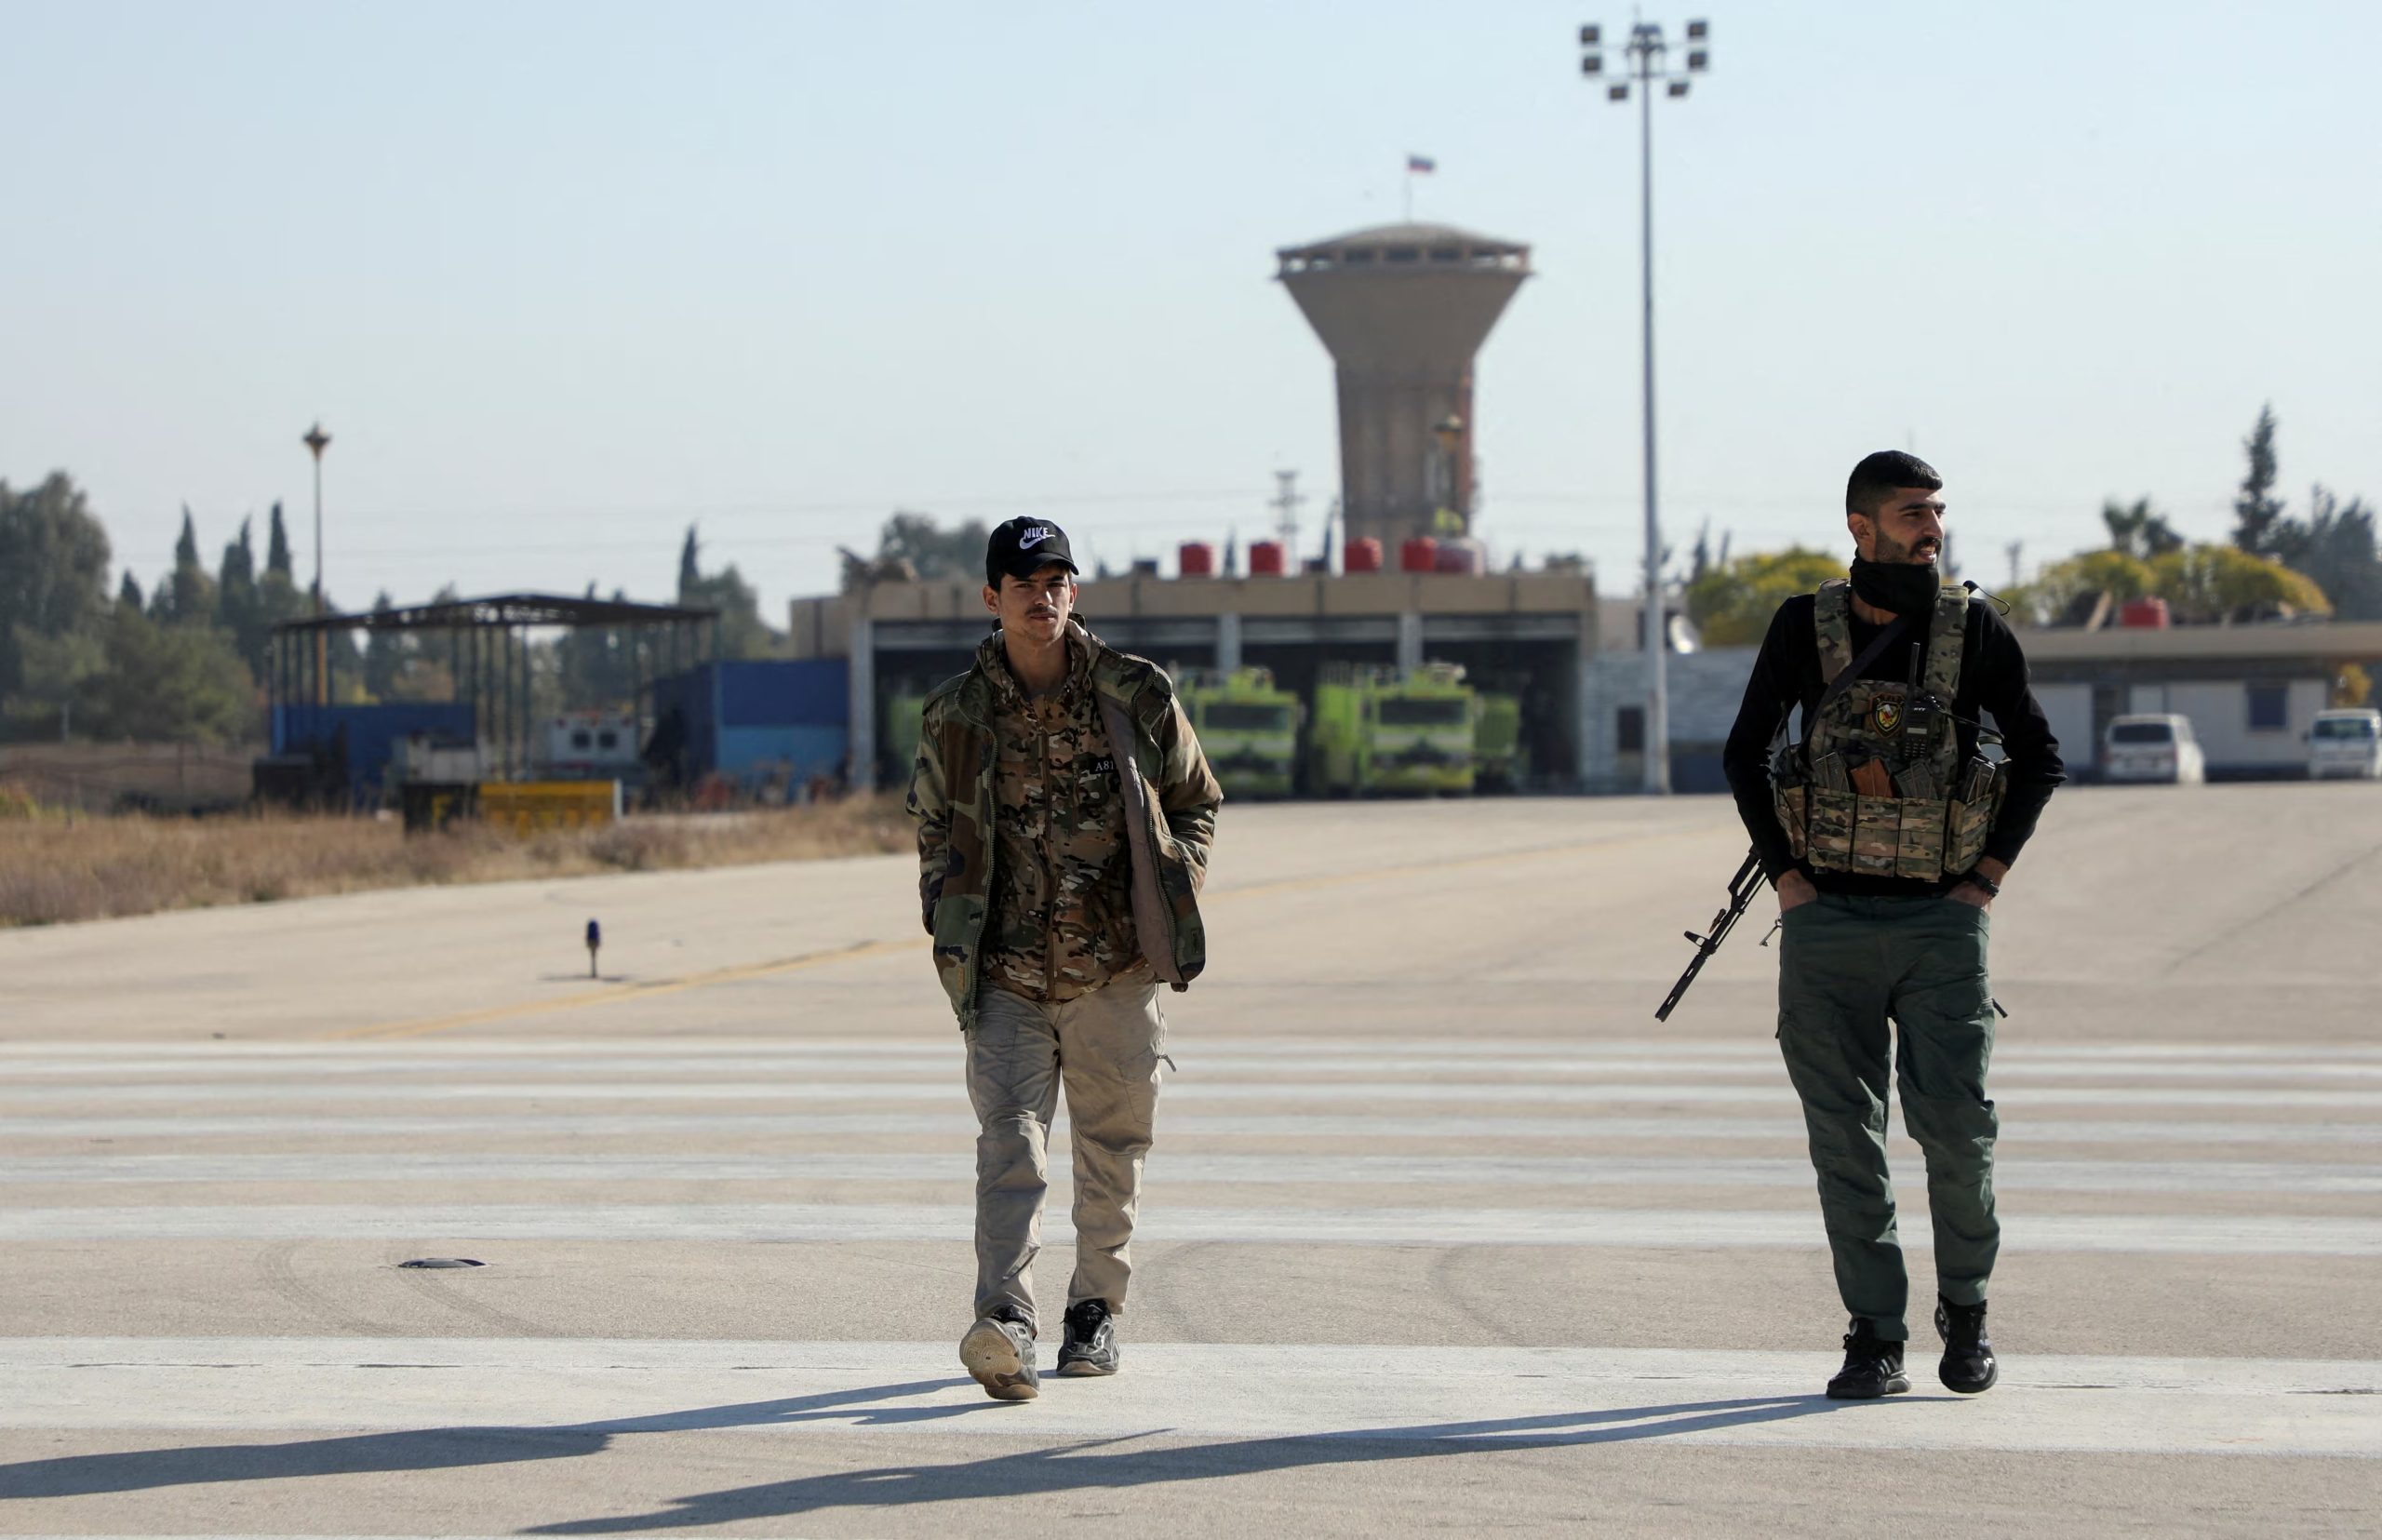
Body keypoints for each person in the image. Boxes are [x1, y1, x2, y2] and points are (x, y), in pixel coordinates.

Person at [1720, 450, 2065, 1399]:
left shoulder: (1971, 629)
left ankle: (1968, 1309)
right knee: (1845, 1139)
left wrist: (1982, 880)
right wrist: (1788, 877)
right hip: (1825, 921)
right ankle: (1875, 1334)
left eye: (1937, 511)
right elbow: (1744, 750)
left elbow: (2038, 756)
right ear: (1861, 525)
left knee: (1957, 1129)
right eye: (1913, 511)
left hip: (1938, 924)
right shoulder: (1804, 626)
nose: (1932, 526)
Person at [906, 516, 1224, 1401]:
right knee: (1009, 1148)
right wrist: (943, 897)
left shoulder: (1135, 692)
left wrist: (1171, 883)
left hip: (1115, 970)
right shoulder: (956, 712)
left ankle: (1095, 1313)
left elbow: (1197, 798)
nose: (1042, 600)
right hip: (1004, 971)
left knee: (1110, 1152)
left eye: (1056, 583)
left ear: (1073, 592)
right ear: (992, 598)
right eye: (1023, 585)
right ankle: (1005, 1319)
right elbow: (931, 819)